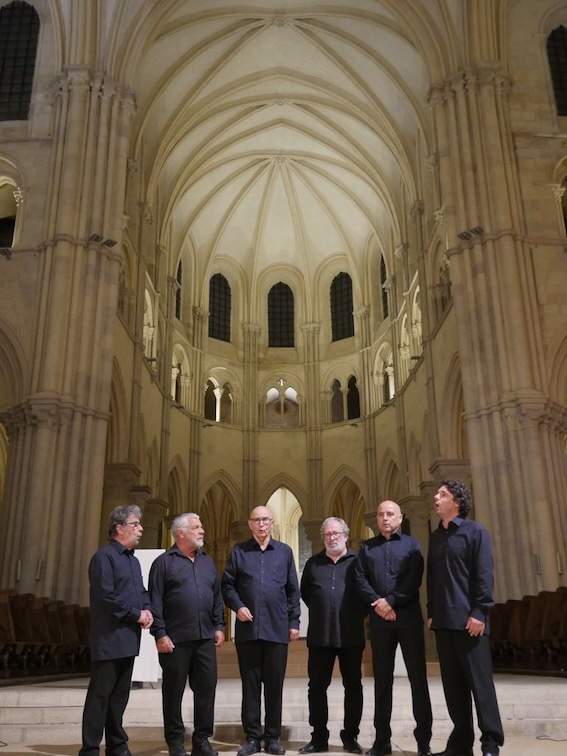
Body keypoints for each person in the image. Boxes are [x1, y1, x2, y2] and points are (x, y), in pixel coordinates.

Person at [427, 480, 504, 756]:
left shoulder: (475, 532)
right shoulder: (436, 536)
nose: (436, 497)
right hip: (445, 622)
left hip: (471, 622)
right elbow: (433, 578)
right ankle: (461, 743)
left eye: (443, 494)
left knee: (480, 684)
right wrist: (432, 612)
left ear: (456, 502)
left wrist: (479, 612)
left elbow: (484, 576)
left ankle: (491, 742)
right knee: (454, 687)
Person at [354, 500, 432, 756]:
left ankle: (423, 741)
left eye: (390, 514)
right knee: (382, 681)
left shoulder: (412, 545)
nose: (385, 518)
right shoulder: (367, 547)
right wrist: (378, 602)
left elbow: (413, 579)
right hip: (379, 621)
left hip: (408, 617)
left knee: (417, 679)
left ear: (400, 517)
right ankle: (381, 741)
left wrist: (391, 601)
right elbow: (360, 578)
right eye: (380, 514)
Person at [221, 505, 301, 756]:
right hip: (248, 630)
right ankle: (253, 738)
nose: (262, 524)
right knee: (251, 686)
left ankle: (273, 738)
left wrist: (294, 622)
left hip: (276, 629)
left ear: (272, 523)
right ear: (250, 523)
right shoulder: (239, 552)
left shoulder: (285, 552)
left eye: (266, 519)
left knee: (274, 686)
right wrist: (238, 606)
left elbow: (292, 590)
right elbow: (227, 586)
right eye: (257, 520)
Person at [79, 504, 153, 756]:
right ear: (119, 528)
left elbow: (141, 592)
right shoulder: (104, 557)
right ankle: (89, 748)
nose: (140, 529)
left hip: (128, 638)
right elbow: (106, 596)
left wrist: (148, 610)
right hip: (109, 637)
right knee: (100, 697)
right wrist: (136, 614)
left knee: (119, 697)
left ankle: (116, 745)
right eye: (135, 524)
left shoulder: (132, 561)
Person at [149, 513, 225, 756]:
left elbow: (217, 596)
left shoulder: (207, 561)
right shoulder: (163, 563)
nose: (202, 530)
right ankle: (175, 741)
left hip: (204, 638)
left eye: (201, 526)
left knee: (206, 690)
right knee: (173, 692)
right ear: (180, 533)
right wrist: (160, 633)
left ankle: (202, 739)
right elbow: (155, 601)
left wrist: (219, 626)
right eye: (196, 527)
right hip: (175, 640)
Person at [299, 517, 366, 755]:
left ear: (346, 536)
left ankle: (350, 737)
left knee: (353, 686)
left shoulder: (358, 561)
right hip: (320, 636)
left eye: (336, 533)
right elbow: (306, 593)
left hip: (351, 634)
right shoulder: (313, 564)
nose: (332, 537)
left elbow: (366, 595)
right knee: (317, 687)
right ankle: (318, 738)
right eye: (327, 534)